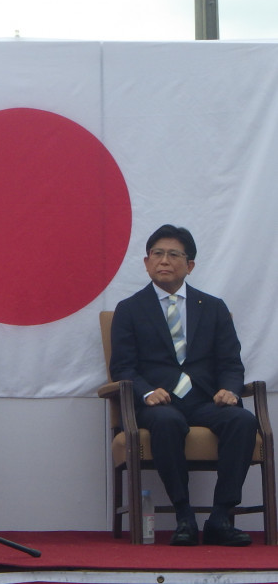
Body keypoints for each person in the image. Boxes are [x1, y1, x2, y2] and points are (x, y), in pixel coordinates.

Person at [110, 224, 257, 547]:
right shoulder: (130, 310)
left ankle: (221, 516)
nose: (164, 261)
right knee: (167, 421)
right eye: (157, 254)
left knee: (242, 419)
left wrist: (230, 389)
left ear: (189, 265)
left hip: (206, 401)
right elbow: (122, 367)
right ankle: (184, 516)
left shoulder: (214, 307)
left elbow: (231, 363)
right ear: (146, 262)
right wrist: (146, 391)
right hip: (157, 404)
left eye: (174, 254)